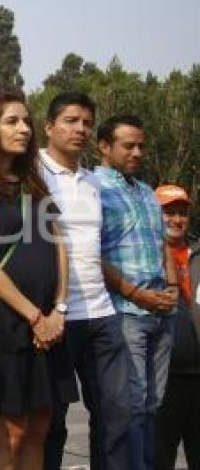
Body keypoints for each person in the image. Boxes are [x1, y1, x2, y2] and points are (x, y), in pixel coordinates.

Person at [0, 88, 77, 470]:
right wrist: (34, 317)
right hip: (6, 324)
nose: (24, 128)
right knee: (11, 431)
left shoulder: (33, 183)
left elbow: (59, 245)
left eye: (25, 120)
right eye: (12, 121)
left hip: (49, 324)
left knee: (40, 426)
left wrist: (57, 308)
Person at [40, 92, 130, 470]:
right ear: (49, 127)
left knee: (116, 415)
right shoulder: (32, 175)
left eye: (87, 123)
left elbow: (101, 249)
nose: (81, 129)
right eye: (71, 120)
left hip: (102, 315)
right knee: (52, 424)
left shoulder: (94, 183)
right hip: (56, 317)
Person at [95, 115, 177, 470]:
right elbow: (89, 253)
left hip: (162, 313)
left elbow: (163, 247)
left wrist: (172, 288)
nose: (137, 152)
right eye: (129, 145)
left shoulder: (146, 191)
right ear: (104, 147)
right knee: (132, 405)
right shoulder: (93, 187)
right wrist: (135, 293)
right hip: (126, 311)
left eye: (141, 145)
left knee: (154, 404)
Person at [153, 184, 199, 470]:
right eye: (168, 212)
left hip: (199, 376)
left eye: (182, 213)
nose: (176, 220)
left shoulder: (198, 254)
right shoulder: (144, 257)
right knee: (159, 457)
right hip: (162, 378)